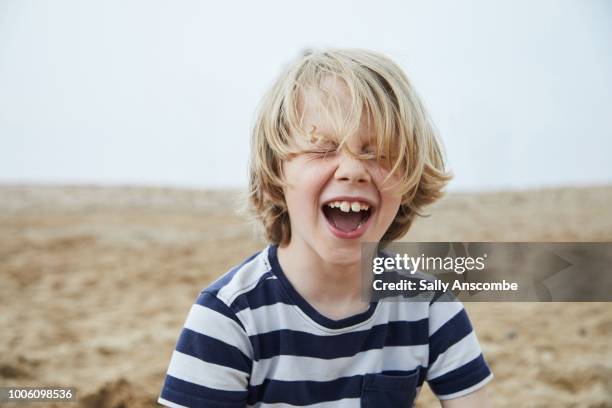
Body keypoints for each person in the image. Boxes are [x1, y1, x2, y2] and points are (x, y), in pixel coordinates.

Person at [158, 48, 493, 407]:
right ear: (276, 171)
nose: (353, 169)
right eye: (322, 148)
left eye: (378, 152)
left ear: (408, 179)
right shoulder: (229, 317)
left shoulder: (429, 309)